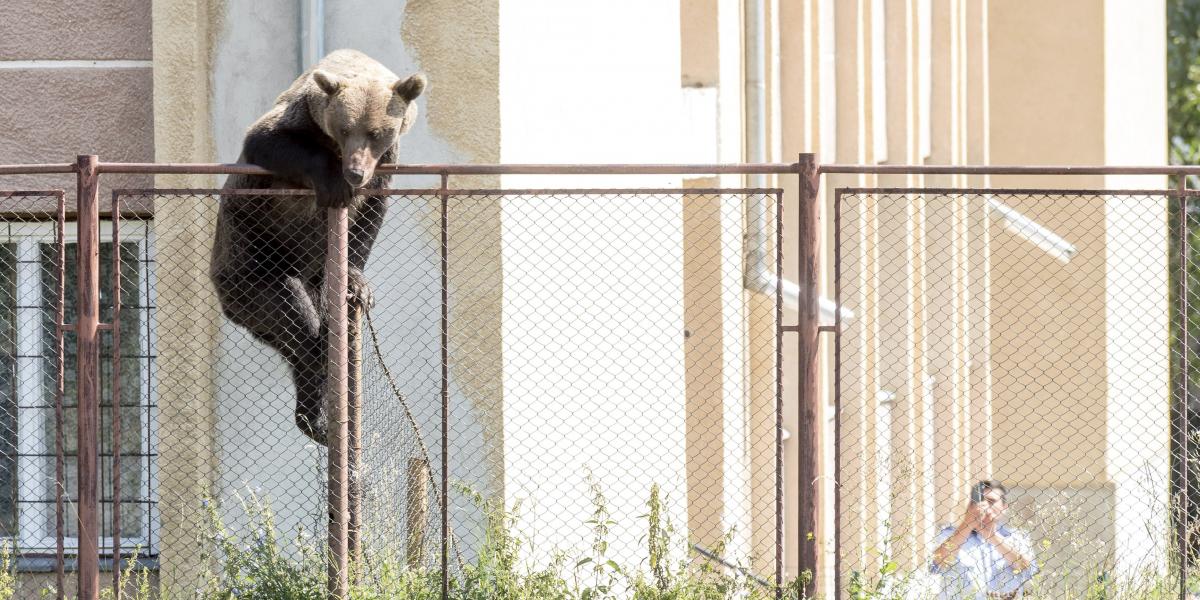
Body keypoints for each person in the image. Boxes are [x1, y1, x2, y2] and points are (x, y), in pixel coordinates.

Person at [929, 480, 1037, 599]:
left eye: (991, 501)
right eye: (979, 501)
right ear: (970, 506)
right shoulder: (949, 535)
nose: (984, 506)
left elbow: (1028, 570)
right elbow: (934, 565)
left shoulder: (1017, 536)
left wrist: (992, 536)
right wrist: (967, 524)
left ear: (1004, 507)